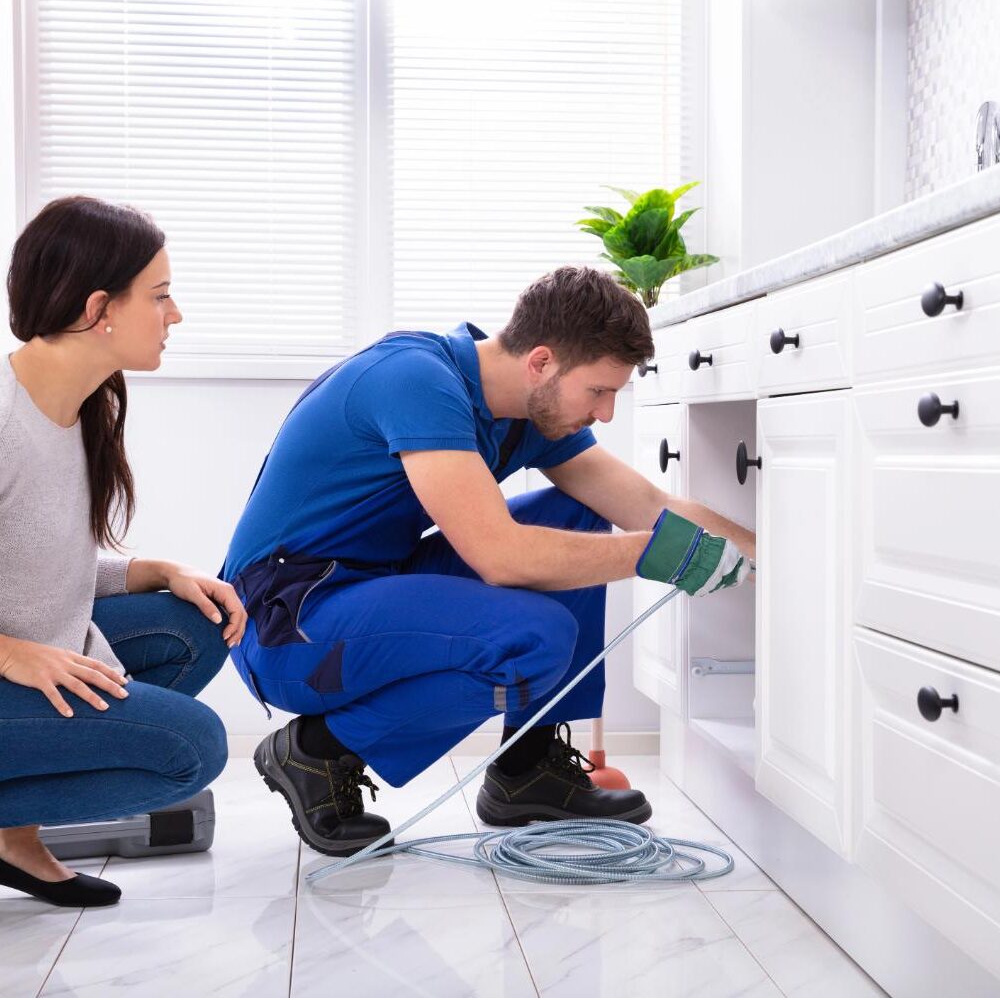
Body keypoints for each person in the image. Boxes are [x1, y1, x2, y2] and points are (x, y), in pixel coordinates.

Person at [222, 266, 755, 857]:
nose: (605, 414)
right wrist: (656, 556)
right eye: (599, 391)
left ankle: (528, 767)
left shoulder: (528, 413)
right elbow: (500, 557)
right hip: (285, 620)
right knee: (534, 637)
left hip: (372, 587)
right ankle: (319, 751)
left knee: (573, 511)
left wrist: (772, 557)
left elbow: (649, 507)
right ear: (542, 362)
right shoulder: (414, 379)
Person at [0, 196, 247, 907]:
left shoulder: (83, 407)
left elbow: (33, 565)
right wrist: (13, 652)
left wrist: (155, 570)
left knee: (191, 624)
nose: (176, 315)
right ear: (98, 307)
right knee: (192, 750)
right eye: (161, 296)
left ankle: (14, 837)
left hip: (32, 654)